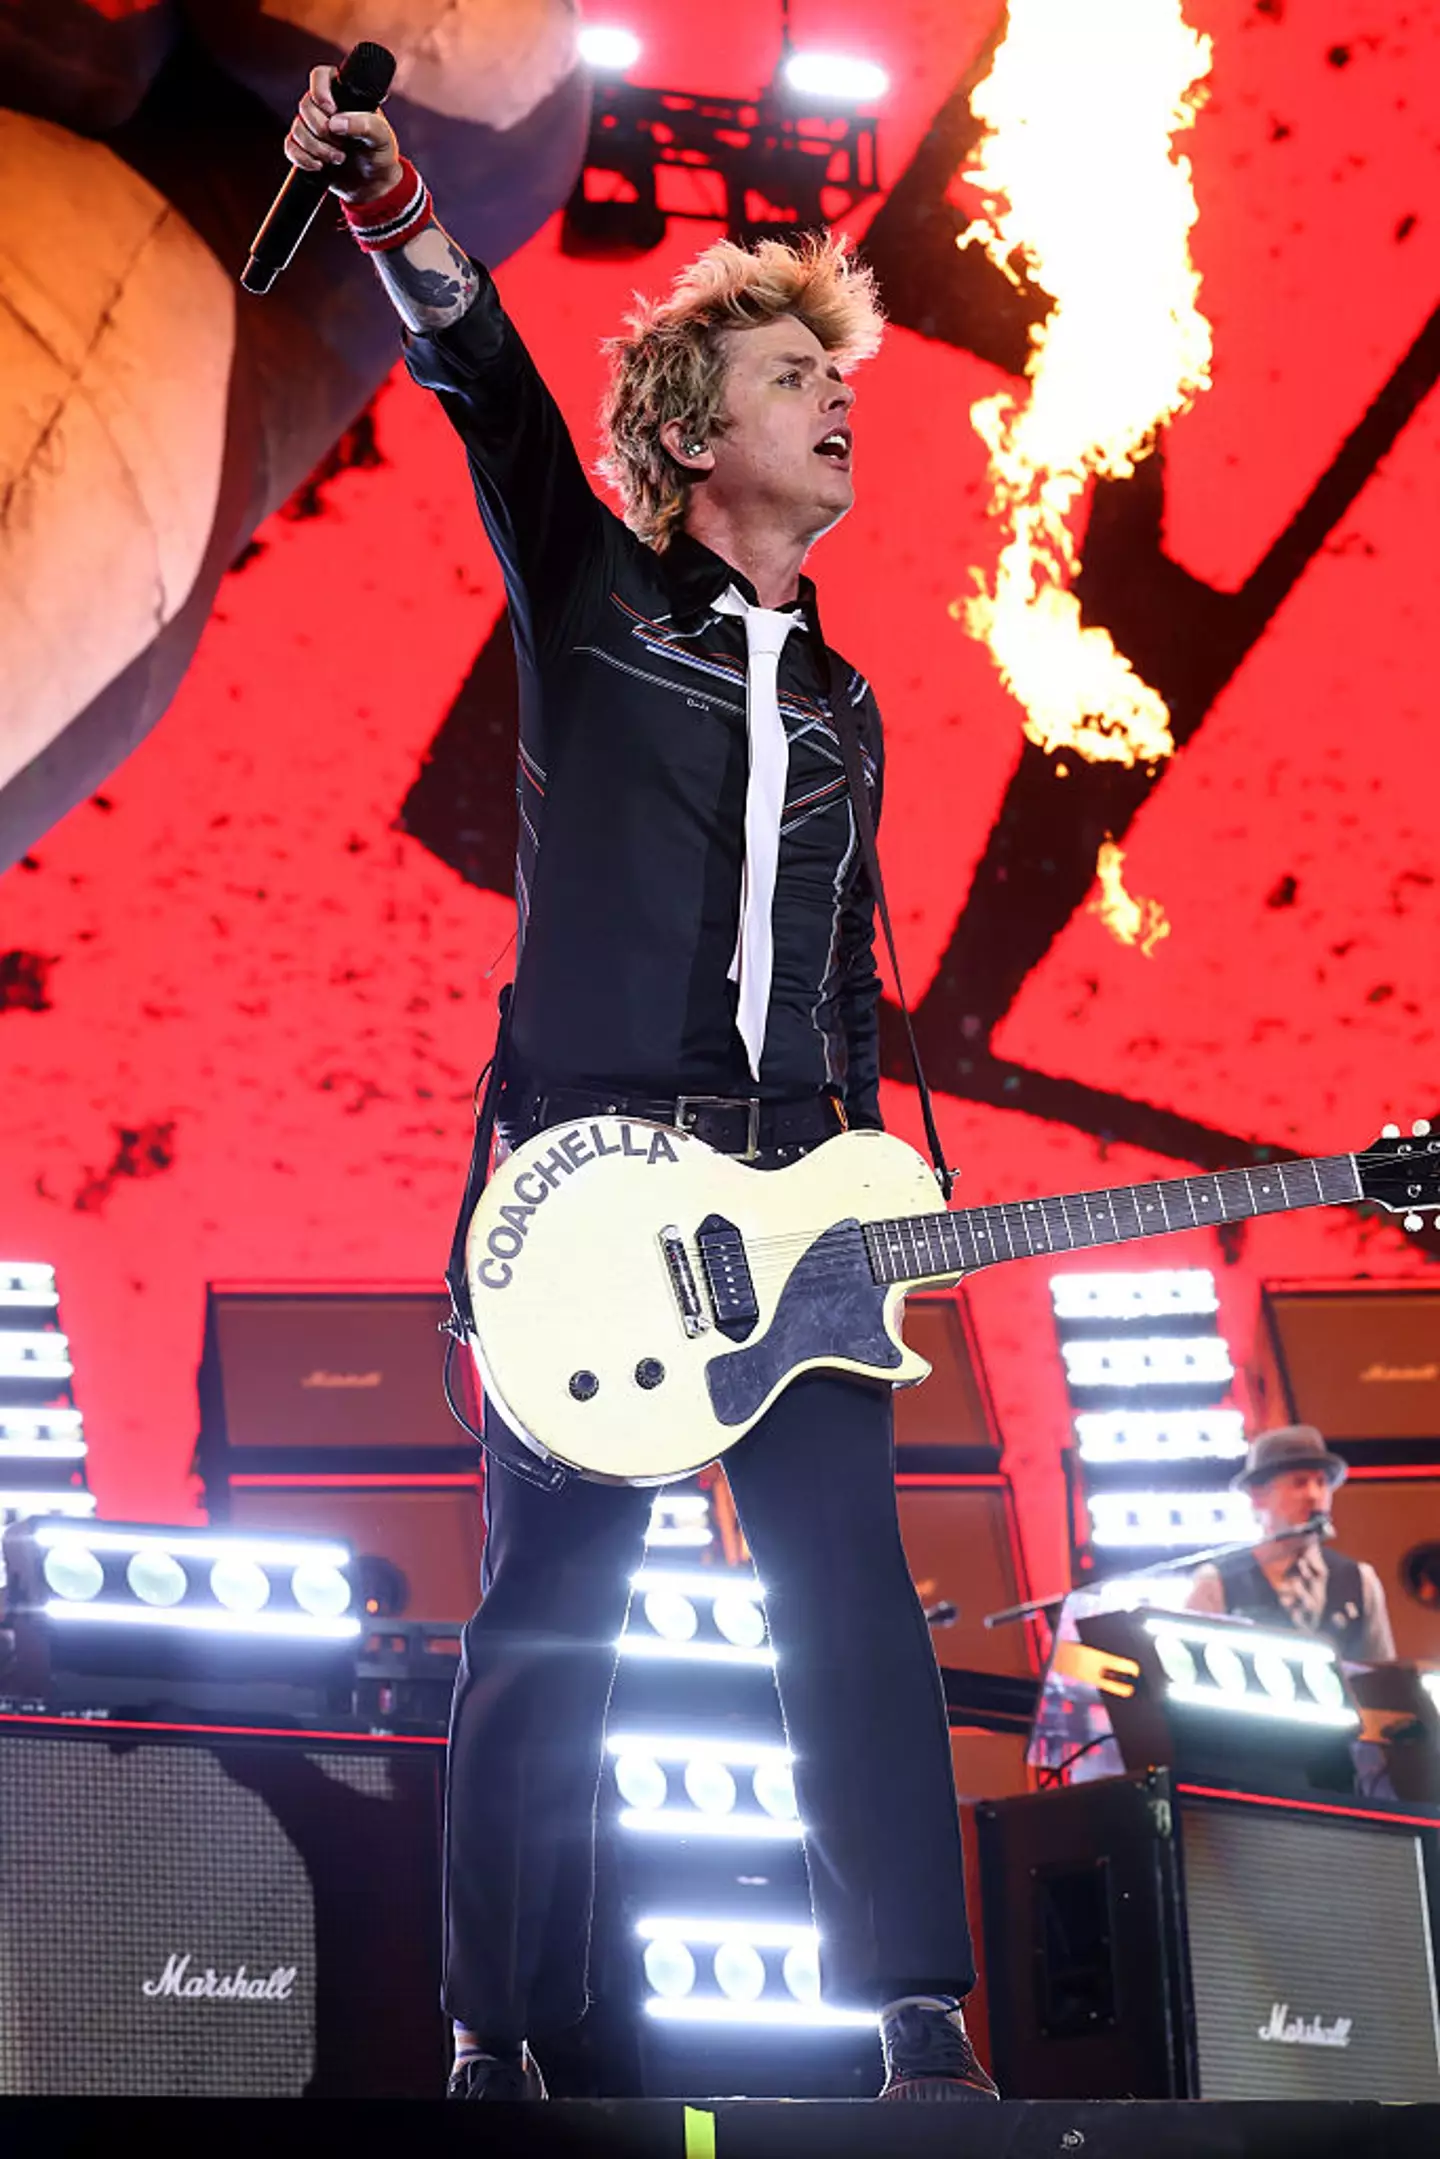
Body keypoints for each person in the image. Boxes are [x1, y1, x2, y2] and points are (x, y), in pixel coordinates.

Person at [283, 68, 996, 2105]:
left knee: (849, 1603)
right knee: (551, 1622)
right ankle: (496, 2031)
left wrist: (877, 1187)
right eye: (790, 376)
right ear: (691, 436)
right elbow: (486, 381)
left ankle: (918, 2014)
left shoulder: (848, 703)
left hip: (800, 1204)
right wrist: (389, 192)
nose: (836, 400)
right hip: (591, 1189)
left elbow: (842, 977)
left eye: (837, 376)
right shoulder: (598, 600)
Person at [1187, 1424, 1395, 1661]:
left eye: (1321, 1483)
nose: (1314, 1495)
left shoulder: (1360, 1580)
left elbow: (1383, 1674)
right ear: (1258, 1496)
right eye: (1299, 1482)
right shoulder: (1216, 1582)